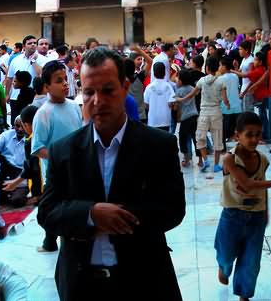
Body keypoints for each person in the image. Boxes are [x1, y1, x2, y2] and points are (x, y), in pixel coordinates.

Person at [37, 47, 185, 301]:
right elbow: (47, 212)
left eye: (107, 90)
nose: (98, 101)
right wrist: (91, 214)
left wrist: (118, 217)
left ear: (125, 87)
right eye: (89, 92)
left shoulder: (159, 145)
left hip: (144, 279)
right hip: (82, 282)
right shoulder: (64, 150)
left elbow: (173, 209)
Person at [215, 111, 271, 300]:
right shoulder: (229, 159)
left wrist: (266, 211)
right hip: (232, 216)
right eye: (249, 134)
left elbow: (259, 186)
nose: (255, 139)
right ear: (237, 135)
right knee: (226, 256)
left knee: (251, 262)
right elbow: (247, 184)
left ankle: (244, 295)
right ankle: (223, 268)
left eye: (258, 134)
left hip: (256, 216)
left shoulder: (262, 160)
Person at [30, 60, 83, 253]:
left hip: (77, 167)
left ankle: (71, 239)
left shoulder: (74, 106)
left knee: (73, 205)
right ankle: (49, 242)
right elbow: (37, 148)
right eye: (59, 81)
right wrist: (61, 159)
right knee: (54, 208)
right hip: (56, 172)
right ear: (46, 87)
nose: (65, 84)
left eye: (66, 79)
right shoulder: (44, 113)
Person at [143, 62, 176, 132]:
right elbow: (171, 102)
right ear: (164, 73)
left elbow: (146, 104)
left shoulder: (149, 87)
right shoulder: (168, 86)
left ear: (153, 73)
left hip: (153, 120)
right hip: (165, 119)